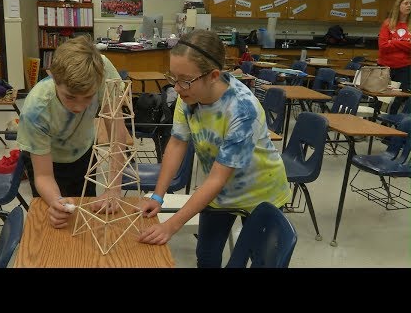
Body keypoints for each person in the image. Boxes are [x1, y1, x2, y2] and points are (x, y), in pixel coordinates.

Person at [138, 29, 291, 268]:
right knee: (207, 257)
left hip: (261, 193)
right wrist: (158, 196)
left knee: (260, 260)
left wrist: (172, 224)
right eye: (173, 78)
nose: (177, 87)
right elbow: (177, 143)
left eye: (185, 80)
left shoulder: (242, 110)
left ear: (213, 76)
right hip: (219, 193)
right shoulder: (188, 94)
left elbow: (217, 178)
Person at [17, 36, 126, 229]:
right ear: (54, 78)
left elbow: (117, 133)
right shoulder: (36, 109)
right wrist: (56, 202)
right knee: (56, 220)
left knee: (85, 221)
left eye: (88, 97)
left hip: (83, 151)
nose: (79, 106)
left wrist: (114, 188)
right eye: (70, 97)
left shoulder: (102, 71)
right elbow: (43, 176)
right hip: (47, 160)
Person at [378, 0, 411, 114]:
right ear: (399, 5)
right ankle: (375, 119)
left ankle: (387, 121)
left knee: (398, 98)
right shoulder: (388, 23)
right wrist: (405, 44)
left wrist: (394, 42)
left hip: (404, 68)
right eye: (406, 3)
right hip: (385, 66)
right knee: (380, 97)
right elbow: (383, 46)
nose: (409, 6)